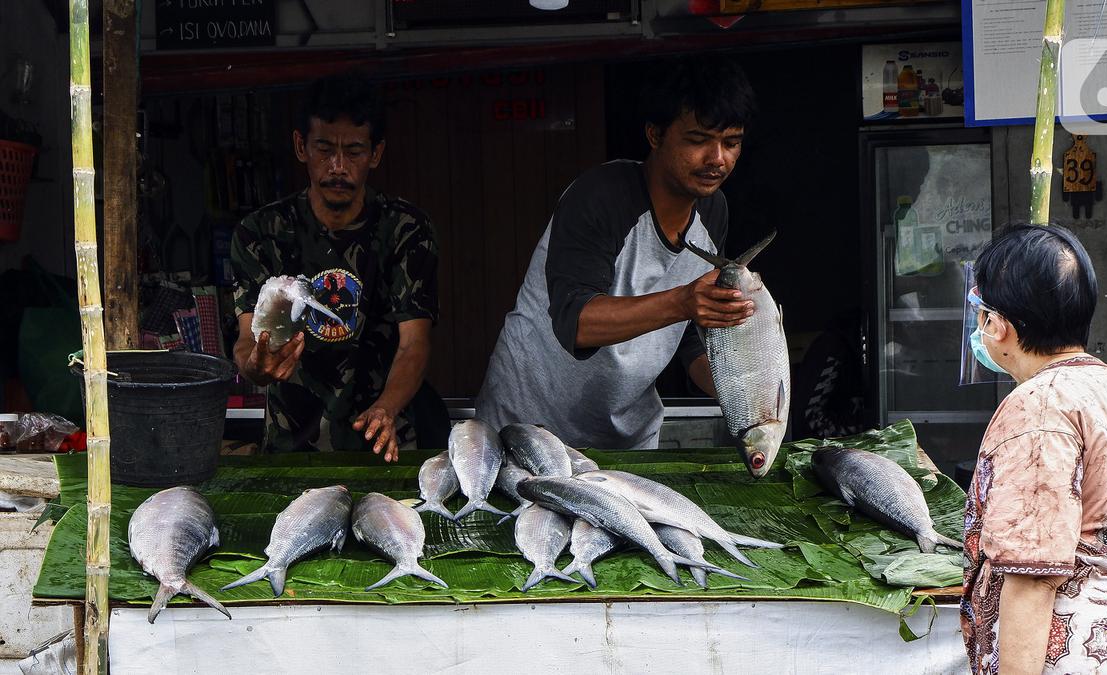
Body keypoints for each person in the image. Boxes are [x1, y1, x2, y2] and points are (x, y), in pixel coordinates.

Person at [473, 57, 758, 450]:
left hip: (626, 440)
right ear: (655, 135)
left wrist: (736, 391)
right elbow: (576, 323)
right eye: (697, 140)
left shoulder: (714, 210)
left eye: (732, 142)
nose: (718, 159)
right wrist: (684, 301)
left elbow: (690, 335)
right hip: (527, 431)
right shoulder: (600, 197)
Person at [960, 224, 1107, 674]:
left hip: (1081, 655)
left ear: (999, 325)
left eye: (982, 311)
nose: (980, 324)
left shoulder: (1038, 406)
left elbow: (1032, 576)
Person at [231, 74, 438, 462]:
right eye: (324, 148)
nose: (338, 166)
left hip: (383, 445)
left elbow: (415, 342)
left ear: (375, 154)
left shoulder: (406, 229)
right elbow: (248, 340)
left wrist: (387, 408)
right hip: (290, 453)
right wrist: (256, 366)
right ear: (301, 146)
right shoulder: (260, 233)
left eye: (355, 151)